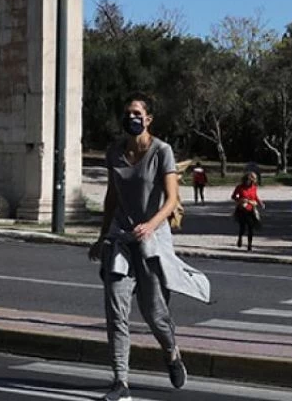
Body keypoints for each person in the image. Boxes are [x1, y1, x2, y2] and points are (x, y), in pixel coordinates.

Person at [91, 95, 211, 400]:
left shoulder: (162, 151)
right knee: (116, 312)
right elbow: (111, 198)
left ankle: (172, 353)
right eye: (127, 112)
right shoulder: (115, 152)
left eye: (136, 113)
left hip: (152, 241)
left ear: (148, 119)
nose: (131, 117)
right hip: (120, 239)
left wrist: (151, 224)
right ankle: (121, 383)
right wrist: (101, 237)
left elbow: (171, 199)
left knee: (154, 314)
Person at [231, 172, 263, 251]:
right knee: (242, 227)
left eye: (250, 181)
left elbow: (255, 196)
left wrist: (260, 203)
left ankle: (249, 244)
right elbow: (233, 196)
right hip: (242, 209)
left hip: (250, 209)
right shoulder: (240, 187)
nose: (248, 182)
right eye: (247, 180)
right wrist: (240, 200)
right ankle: (240, 237)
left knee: (251, 227)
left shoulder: (254, 187)